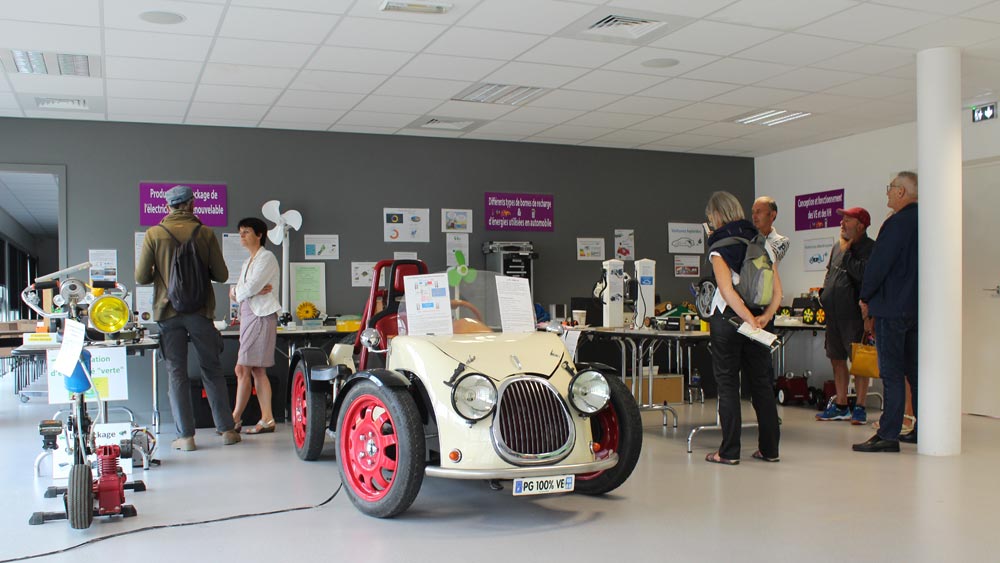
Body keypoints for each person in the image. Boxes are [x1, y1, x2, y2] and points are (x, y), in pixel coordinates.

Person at [135, 185, 239, 451]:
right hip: (201, 312)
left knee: (176, 373)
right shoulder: (205, 233)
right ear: (192, 204)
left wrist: (163, 268)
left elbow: (141, 277)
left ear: (167, 207)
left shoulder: (154, 233)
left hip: (168, 313)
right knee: (212, 369)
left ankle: (186, 437)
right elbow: (222, 274)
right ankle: (227, 431)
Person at [703, 191, 782, 465]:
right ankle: (770, 450)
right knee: (761, 384)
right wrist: (763, 319)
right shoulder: (761, 240)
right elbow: (777, 291)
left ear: (715, 215)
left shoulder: (719, 245)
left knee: (728, 385)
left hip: (729, 320)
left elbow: (726, 291)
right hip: (760, 320)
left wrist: (747, 319)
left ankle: (728, 451)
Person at [854, 172, 919, 453]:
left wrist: (865, 296)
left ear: (902, 192)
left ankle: (888, 434)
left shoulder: (896, 224)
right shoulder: (928, 220)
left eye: (891, 188)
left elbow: (879, 265)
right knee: (916, 374)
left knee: (891, 373)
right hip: (919, 309)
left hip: (892, 308)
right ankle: (923, 429)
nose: (887, 194)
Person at [816, 207, 876, 424]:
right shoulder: (837, 247)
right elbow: (830, 272)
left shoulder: (870, 248)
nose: (842, 223)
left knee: (859, 361)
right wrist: (824, 292)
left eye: (847, 220)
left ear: (860, 225)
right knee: (836, 358)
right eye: (842, 220)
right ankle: (841, 404)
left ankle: (859, 406)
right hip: (833, 314)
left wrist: (848, 250)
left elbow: (863, 274)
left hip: (854, 315)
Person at [229, 217, 281, 434]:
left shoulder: (266, 257)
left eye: (247, 231)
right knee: (256, 370)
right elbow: (239, 291)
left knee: (243, 368)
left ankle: (234, 419)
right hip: (249, 314)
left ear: (259, 235)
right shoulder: (247, 261)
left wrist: (242, 291)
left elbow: (247, 289)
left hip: (261, 315)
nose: (242, 235)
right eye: (240, 232)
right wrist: (241, 291)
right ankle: (267, 419)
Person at [751, 196, 790, 264]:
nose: (754, 216)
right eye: (753, 212)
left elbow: (767, 260)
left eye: (758, 211)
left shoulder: (782, 240)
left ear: (772, 215)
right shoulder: (749, 238)